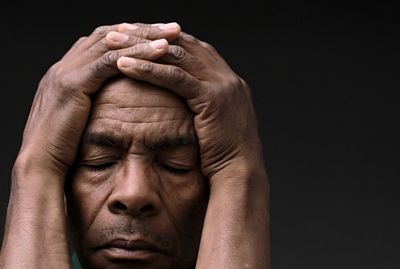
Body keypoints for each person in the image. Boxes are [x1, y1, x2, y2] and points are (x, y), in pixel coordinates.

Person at [0, 21, 270, 269]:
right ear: (63, 180)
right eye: (99, 162)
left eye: (175, 166)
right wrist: (37, 163)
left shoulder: (231, 175)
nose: (134, 194)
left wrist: (237, 168)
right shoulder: (44, 168)